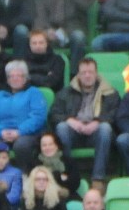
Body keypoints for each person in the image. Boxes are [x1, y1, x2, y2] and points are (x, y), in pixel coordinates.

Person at [49, 57, 119, 192]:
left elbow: (114, 114)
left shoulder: (110, 92)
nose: (87, 75)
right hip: (74, 131)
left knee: (105, 128)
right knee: (62, 127)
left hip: (96, 132)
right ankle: (66, 173)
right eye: (83, 73)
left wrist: (97, 122)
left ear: (96, 73)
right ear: (78, 75)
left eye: (91, 72)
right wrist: (70, 120)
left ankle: (98, 179)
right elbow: (54, 114)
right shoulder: (65, 92)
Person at [0, 60, 47, 173]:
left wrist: (19, 132)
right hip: (2, 134)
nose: (15, 79)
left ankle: (24, 174)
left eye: (19, 76)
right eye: (11, 76)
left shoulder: (34, 93)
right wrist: (1, 132)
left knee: (21, 145)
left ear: (26, 78)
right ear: (7, 79)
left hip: (27, 134)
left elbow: (38, 117)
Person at [35, 0, 96, 73]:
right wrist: (47, 31)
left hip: (72, 32)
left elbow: (86, 4)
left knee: (78, 36)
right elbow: (40, 17)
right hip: (50, 34)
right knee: (36, 39)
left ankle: (75, 76)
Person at [31, 132, 82, 200]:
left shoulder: (68, 161)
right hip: (43, 197)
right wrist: (59, 177)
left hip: (67, 195)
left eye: (51, 144)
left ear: (57, 145)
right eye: (44, 145)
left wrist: (49, 178)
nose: (47, 148)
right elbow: (33, 184)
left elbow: (74, 183)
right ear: (40, 147)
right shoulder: (34, 163)